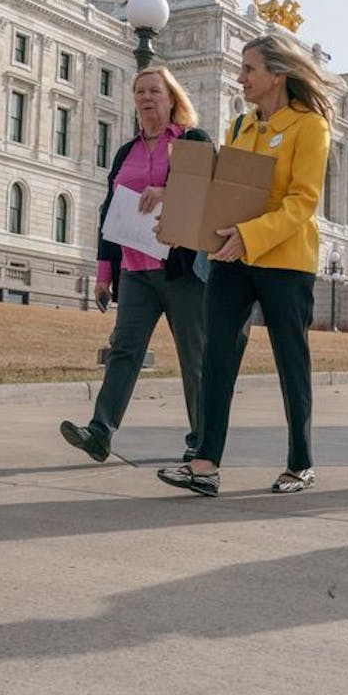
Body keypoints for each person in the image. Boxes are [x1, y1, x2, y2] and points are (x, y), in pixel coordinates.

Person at [156, 35, 332, 497]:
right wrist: (183, 222)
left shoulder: (310, 127)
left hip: (285, 259)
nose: (241, 78)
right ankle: (205, 463)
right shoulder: (239, 127)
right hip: (230, 258)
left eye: (249, 69)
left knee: (290, 360)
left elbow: (303, 202)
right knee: (216, 356)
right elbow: (223, 192)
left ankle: (300, 462)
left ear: (278, 75)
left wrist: (249, 236)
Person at [59, 67, 210, 463]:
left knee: (193, 356)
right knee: (124, 350)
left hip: (181, 270)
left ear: (172, 97)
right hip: (135, 270)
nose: (146, 98)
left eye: (154, 91)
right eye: (139, 91)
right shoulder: (126, 152)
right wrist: (104, 274)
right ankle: (100, 432)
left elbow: (209, 191)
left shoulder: (192, 140)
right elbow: (112, 213)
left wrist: (167, 192)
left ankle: (202, 440)